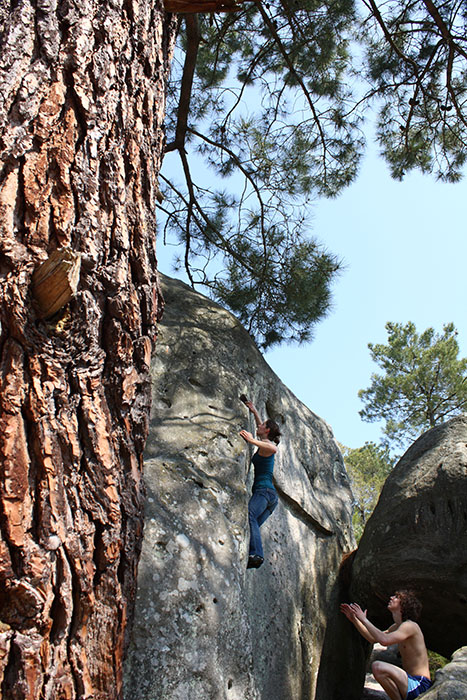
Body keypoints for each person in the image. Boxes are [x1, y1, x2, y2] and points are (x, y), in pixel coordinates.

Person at [340, 590, 433, 700]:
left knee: (378, 667)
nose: (392, 597)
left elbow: (384, 640)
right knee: (378, 668)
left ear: (404, 605)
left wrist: (364, 619)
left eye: (397, 597)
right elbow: (373, 638)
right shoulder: (396, 626)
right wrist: (355, 619)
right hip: (408, 683)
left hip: (420, 684)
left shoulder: (410, 626)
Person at [239, 398, 281, 570]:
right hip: (270, 498)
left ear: (267, 430)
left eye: (262, 424)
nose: (259, 426)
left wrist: (251, 441)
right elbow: (261, 431)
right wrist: (254, 411)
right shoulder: (264, 441)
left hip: (265, 492)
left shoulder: (268, 445)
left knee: (249, 515)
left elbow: (273, 449)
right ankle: (252, 556)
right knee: (252, 524)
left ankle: (256, 555)